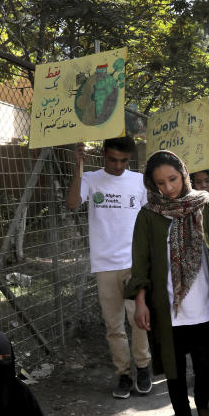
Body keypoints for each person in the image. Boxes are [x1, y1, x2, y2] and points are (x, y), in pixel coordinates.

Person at [126, 151, 209, 416]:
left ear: (183, 173)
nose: (168, 188)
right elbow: (140, 261)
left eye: (173, 179)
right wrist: (141, 301)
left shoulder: (204, 202)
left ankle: (204, 404)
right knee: (174, 370)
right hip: (166, 308)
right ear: (152, 184)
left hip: (203, 304)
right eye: (160, 183)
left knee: (205, 365)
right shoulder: (149, 214)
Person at [66, 138, 152, 399]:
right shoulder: (90, 179)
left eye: (124, 161)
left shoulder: (139, 181)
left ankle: (143, 366)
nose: (117, 165)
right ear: (103, 155)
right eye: (112, 159)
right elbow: (72, 204)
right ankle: (123, 374)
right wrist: (77, 168)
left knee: (139, 320)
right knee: (113, 325)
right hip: (104, 265)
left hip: (133, 263)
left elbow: (150, 218)